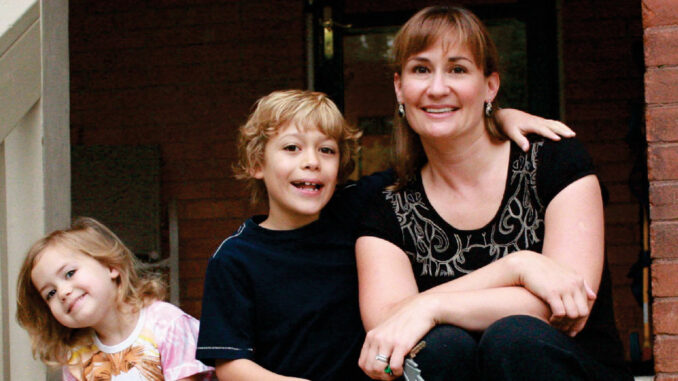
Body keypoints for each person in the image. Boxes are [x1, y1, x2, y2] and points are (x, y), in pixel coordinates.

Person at [194, 89, 574, 381]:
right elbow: (232, 367)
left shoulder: (360, 209)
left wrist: (497, 117)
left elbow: (439, 150)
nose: (311, 160)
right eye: (291, 148)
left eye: (326, 150)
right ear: (257, 163)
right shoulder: (235, 257)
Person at [356, 6, 632, 381]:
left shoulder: (553, 160)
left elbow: (570, 301)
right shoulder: (386, 200)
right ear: (399, 87)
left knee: (514, 337)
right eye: (421, 69)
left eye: (457, 69)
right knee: (438, 346)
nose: (438, 88)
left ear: (490, 86)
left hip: (569, 369)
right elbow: (388, 323)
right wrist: (516, 267)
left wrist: (430, 306)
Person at [16, 217, 213, 381]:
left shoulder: (167, 324)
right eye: (50, 293)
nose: (62, 292)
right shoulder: (78, 357)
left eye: (69, 274)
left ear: (111, 266)